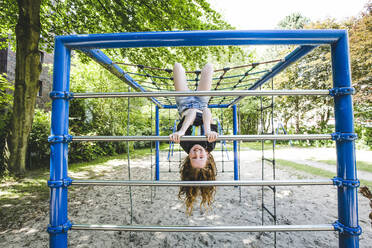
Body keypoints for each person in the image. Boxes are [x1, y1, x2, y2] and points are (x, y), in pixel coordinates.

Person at [169, 62, 219, 215]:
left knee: (177, 66)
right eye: (201, 156)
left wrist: (181, 132)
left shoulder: (184, 143)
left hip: (183, 103)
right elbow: (206, 111)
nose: (197, 152)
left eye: (193, 156)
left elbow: (191, 112)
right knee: (209, 67)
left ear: (188, 158)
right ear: (208, 155)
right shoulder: (210, 143)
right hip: (202, 102)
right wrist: (208, 129)